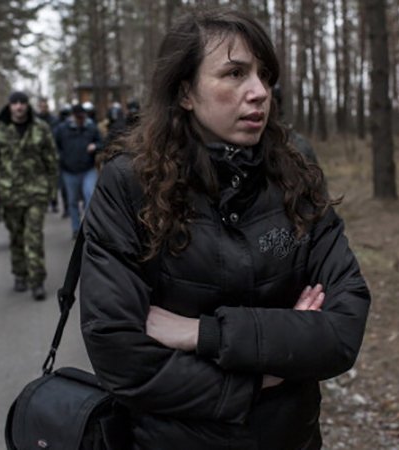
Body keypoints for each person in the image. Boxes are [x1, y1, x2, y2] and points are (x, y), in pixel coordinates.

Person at [79, 9, 370, 449]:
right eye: (234, 74)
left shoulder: (295, 170)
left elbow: (342, 331)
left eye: (263, 74)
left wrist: (200, 333)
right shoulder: (130, 183)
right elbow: (120, 357)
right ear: (185, 92)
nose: (259, 92)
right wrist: (268, 373)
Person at [0, 92, 59, 300]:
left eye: (22, 103)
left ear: (27, 105)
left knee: (34, 236)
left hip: (36, 192)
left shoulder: (40, 128)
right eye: (15, 103)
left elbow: (51, 160)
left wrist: (52, 189)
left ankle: (37, 280)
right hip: (10, 193)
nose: (19, 107)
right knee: (16, 236)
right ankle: (20, 273)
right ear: (10, 106)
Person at [54, 103, 102, 237]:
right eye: (78, 117)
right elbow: (54, 145)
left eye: (82, 117)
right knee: (72, 201)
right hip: (69, 171)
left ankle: (89, 228)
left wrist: (95, 146)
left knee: (90, 197)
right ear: (73, 116)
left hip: (88, 169)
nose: (80, 120)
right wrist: (61, 158)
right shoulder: (62, 129)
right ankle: (76, 229)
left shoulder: (91, 127)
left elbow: (102, 142)